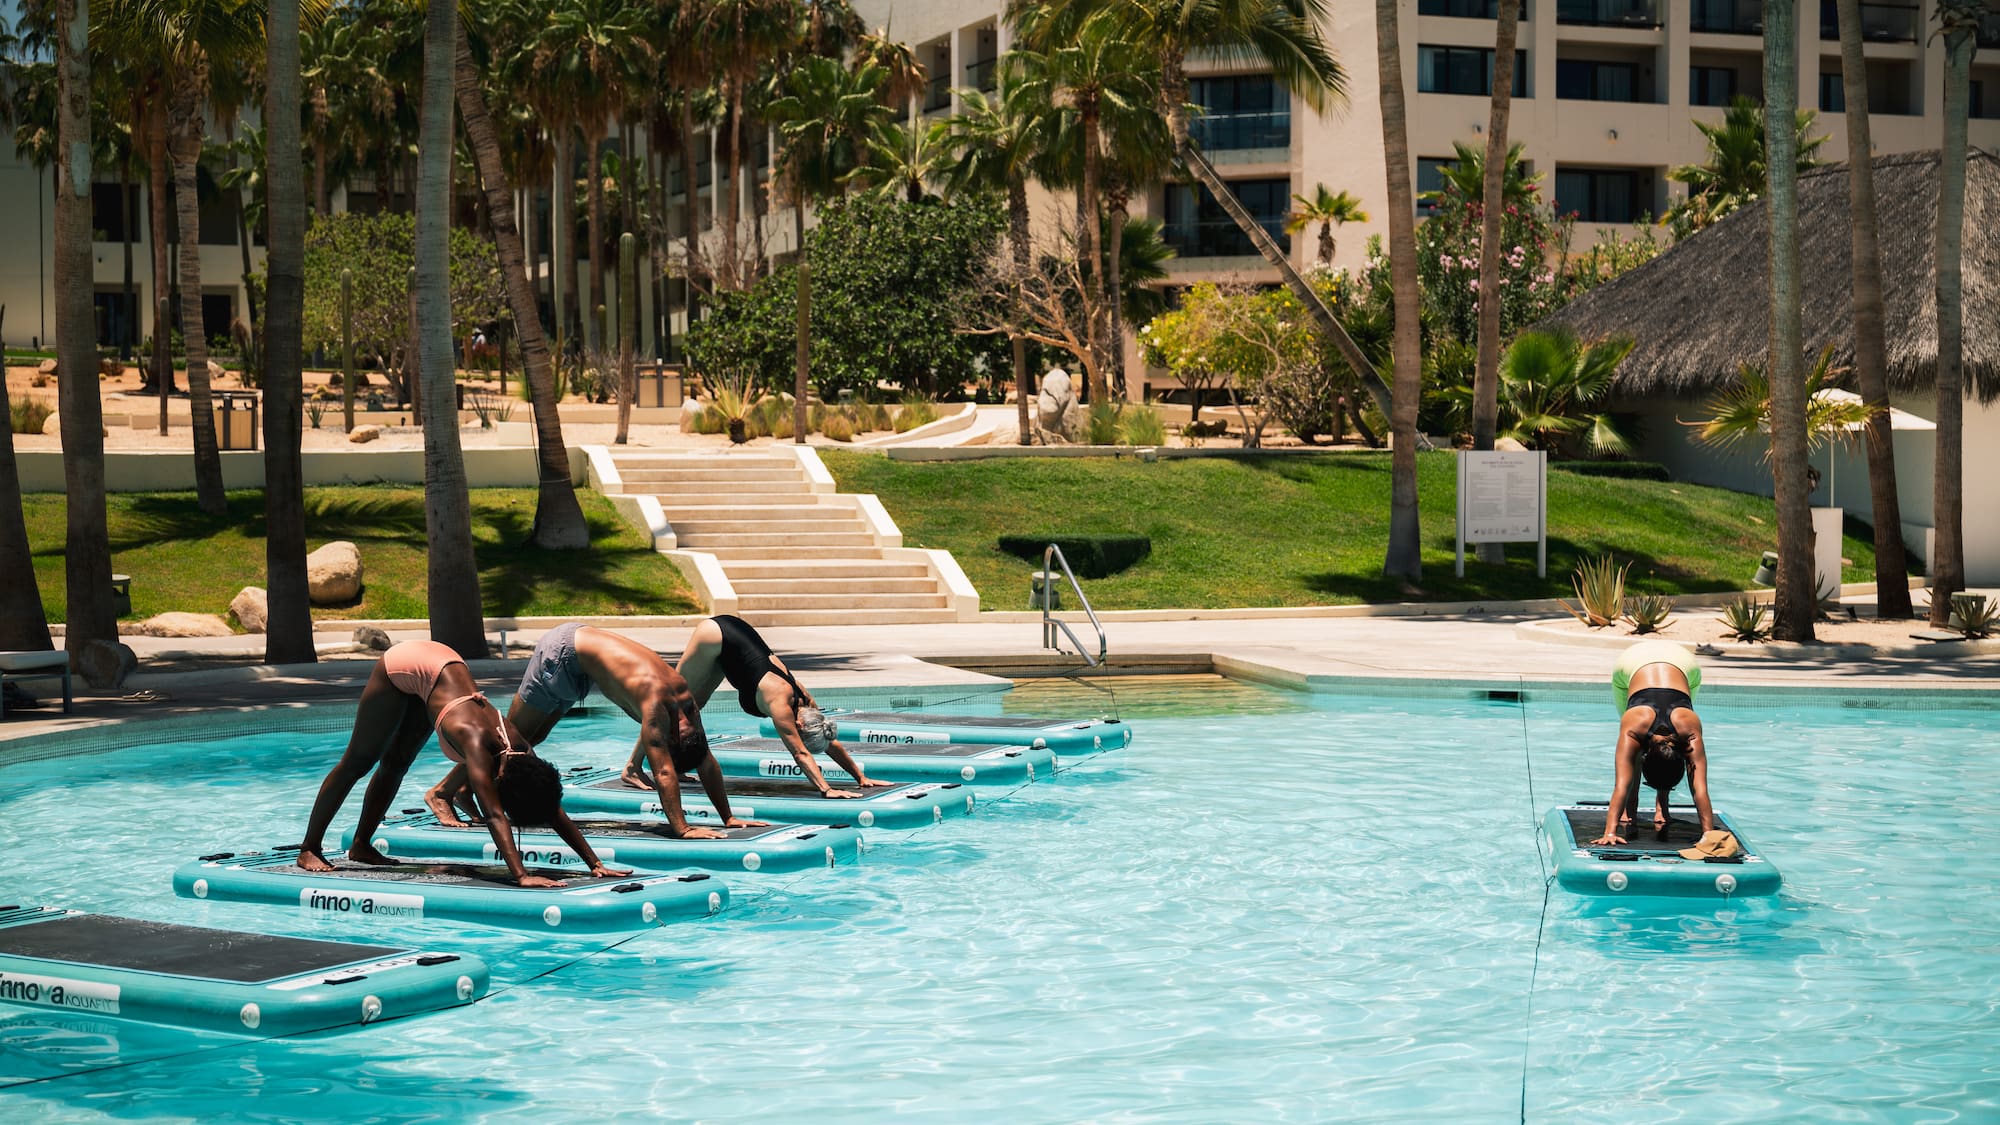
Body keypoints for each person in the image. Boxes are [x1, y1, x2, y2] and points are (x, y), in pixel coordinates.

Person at [298, 640, 629, 887]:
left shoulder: (521, 751)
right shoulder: (476, 746)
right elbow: (495, 814)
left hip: (440, 668)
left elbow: (550, 806)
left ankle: (361, 846)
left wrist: (594, 863)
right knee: (359, 761)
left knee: (397, 763)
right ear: (500, 781)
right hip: (407, 663)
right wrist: (522, 875)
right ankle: (309, 848)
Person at [425, 623, 763, 841]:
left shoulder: (688, 706)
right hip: (563, 653)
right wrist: (683, 828)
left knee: (531, 739)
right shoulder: (658, 706)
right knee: (508, 739)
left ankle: (465, 787)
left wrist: (728, 817)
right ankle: (442, 792)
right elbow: (662, 769)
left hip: (584, 665)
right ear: (673, 738)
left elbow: (705, 760)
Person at [624, 615, 890, 798]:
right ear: (799, 726)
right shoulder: (781, 703)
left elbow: (828, 739)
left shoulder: (809, 708)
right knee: (670, 703)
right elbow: (800, 754)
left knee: (694, 705)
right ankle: (633, 769)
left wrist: (860, 777)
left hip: (734, 637)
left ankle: (676, 765)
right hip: (715, 635)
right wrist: (826, 788)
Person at [1591, 640, 1716, 847]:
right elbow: (1700, 788)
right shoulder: (1640, 724)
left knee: (1633, 754)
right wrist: (1707, 833)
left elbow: (1622, 782)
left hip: (1681, 663)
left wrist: (1610, 832)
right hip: (1638, 662)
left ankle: (1654, 809)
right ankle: (1635, 809)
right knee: (1634, 752)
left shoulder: (1683, 726)